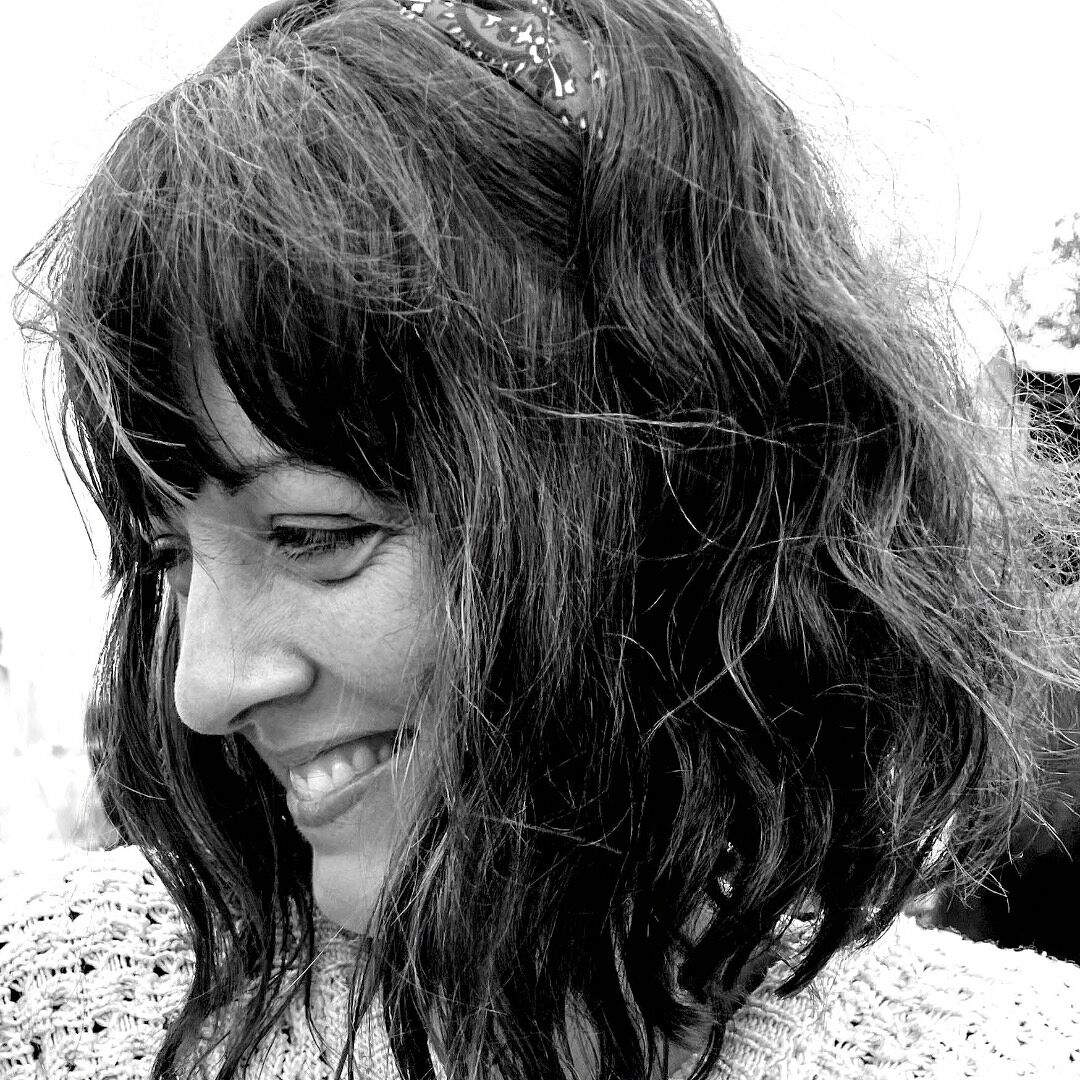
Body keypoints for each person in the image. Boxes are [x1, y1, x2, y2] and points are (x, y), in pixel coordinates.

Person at [3, 0, 1079, 1077]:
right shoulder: (66, 1007)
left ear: (676, 502)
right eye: (168, 556)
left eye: (312, 535)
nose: (202, 688)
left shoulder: (1009, 1055)